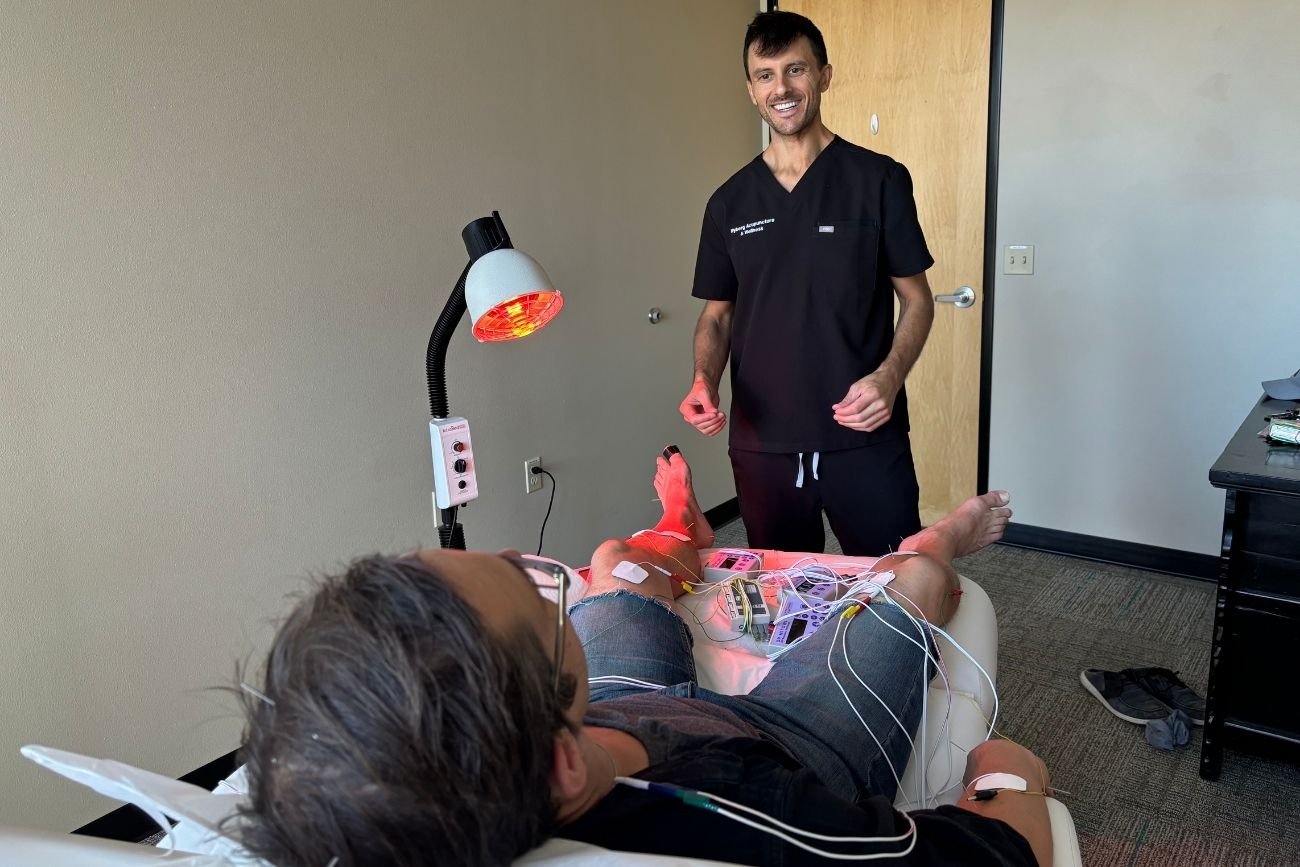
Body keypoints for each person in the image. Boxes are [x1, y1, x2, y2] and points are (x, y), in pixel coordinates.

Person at [235, 449, 1052, 867]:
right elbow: (1000, 855)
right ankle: (942, 535)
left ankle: (679, 532)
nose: (518, 550)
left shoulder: (506, 754)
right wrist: (1015, 774)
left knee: (612, 558)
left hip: (613, 708)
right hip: (772, 738)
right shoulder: (754, 814)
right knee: (913, 578)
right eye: (531, 589)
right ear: (558, 762)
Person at [680, 11, 936, 557]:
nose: (782, 88)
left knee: (896, 593)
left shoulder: (880, 180)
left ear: (823, 75)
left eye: (795, 69)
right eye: (766, 74)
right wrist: (705, 378)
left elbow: (916, 301)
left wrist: (890, 378)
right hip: (764, 443)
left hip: (864, 433)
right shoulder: (729, 203)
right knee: (785, 604)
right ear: (751, 90)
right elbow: (717, 315)